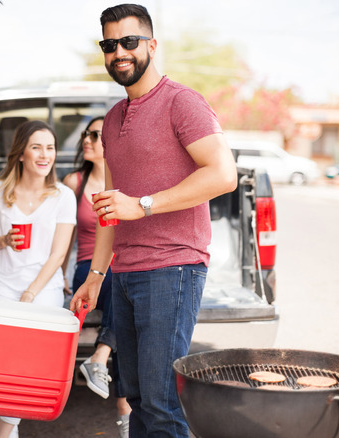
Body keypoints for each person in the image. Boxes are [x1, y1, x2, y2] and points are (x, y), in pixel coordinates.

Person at [69, 4, 238, 438]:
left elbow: (223, 175)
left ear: (151, 44)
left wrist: (142, 204)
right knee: (139, 397)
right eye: (109, 45)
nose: (119, 52)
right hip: (123, 275)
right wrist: (95, 275)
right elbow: (110, 207)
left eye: (128, 41)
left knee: (163, 402)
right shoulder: (111, 119)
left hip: (172, 268)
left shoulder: (182, 102)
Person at [0, 120, 76, 438]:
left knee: (25, 361)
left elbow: (58, 255)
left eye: (50, 148)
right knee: (2, 363)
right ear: (20, 154)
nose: (45, 155)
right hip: (1, 284)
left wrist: (30, 294)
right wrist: (3, 241)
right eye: (36, 147)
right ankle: (7, 430)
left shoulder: (63, 196)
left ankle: (3, 430)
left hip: (43, 288)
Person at [62, 116, 132, 438]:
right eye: (86, 135)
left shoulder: (129, 183)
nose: (87, 140)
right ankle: (125, 413)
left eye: (95, 135)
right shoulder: (73, 182)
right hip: (88, 265)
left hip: (120, 266)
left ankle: (100, 357)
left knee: (124, 290)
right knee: (123, 298)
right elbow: (64, 235)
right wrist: (60, 274)